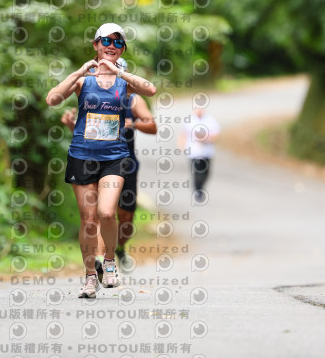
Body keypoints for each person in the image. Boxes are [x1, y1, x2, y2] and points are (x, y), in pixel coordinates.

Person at [46, 23, 156, 298]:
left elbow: (151, 90)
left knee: (107, 213)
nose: (111, 46)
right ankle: (89, 277)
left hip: (114, 157)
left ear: (122, 50)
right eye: (105, 40)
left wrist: (119, 71)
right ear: (95, 45)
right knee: (89, 220)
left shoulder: (124, 82)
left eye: (118, 43)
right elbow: (52, 99)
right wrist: (80, 72)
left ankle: (109, 261)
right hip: (82, 156)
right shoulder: (83, 81)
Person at [61, 59, 157, 276]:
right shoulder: (93, 97)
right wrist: (71, 125)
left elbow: (152, 126)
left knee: (126, 219)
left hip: (125, 162)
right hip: (96, 162)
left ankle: (119, 248)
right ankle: (100, 260)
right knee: (101, 213)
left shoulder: (133, 99)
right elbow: (89, 135)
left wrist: (133, 124)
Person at [178, 107, 220, 200]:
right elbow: (183, 134)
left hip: (207, 152)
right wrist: (181, 145)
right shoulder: (189, 121)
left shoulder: (210, 120)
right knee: (197, 173)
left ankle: (201, 187)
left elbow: (216, 135)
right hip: (194, 152)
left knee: (206, 173)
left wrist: (206, 139)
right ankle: (198, 190)